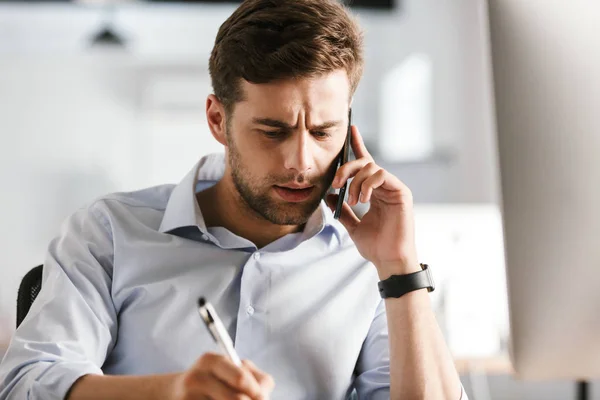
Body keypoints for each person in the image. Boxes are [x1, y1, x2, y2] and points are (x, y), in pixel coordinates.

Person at [0, 0, 467, 399]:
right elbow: (28, 382)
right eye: (273, 131)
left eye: (324, 132)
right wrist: (171, 392)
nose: (301, 162)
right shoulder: (109, 233)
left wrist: (400, 269)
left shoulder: (368, 265)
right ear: (217, 119)